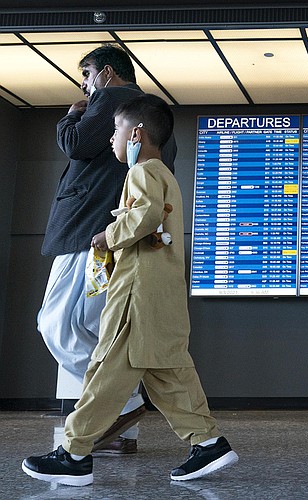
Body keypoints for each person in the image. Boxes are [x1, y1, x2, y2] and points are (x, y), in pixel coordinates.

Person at [22, 94, 237, 486]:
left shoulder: (141, 171)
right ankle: (208, 444)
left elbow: (146, 214)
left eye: (116, 129)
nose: (111, 138)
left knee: (105, 371)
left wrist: (108, 235)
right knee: (169, 374)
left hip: (136, 296)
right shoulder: (165, 174)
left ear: (136, 132)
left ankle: (73, 454)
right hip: (163, 295)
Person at [39, 44, 176, 454]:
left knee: (57, 323)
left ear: (108, 73)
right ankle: (121, 430)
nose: (85, 84)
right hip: (120, 236)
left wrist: (71, 114)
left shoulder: (113, 99)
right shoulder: (154, 115)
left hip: (87, 233)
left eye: (87, 74)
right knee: (101, 328)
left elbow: (76, 145)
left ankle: (122, 402)